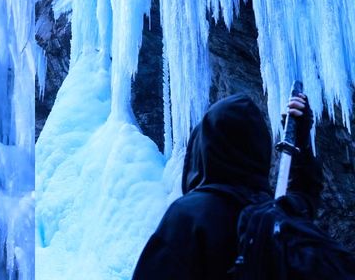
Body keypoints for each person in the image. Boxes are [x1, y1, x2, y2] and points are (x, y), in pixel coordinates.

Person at [131, 92, 321, 280]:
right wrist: (301, 143)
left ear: (204, 149)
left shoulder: (190, 216)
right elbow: (306, 197)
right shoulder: (276, 214)